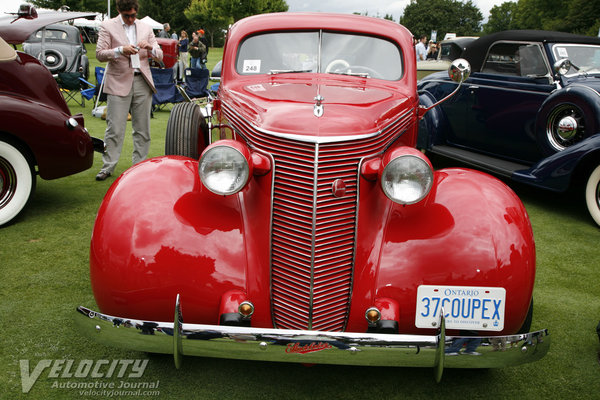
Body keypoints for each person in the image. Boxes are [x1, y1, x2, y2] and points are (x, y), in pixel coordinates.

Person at [94, 0, 163, 181]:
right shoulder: (107, 26)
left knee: (142, 129)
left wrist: (151, 49)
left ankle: (139, 166)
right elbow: (100, 54)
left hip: (142, 81)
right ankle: (108, 166)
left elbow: (160, 53)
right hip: (118, 82)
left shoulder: (146, 27)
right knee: (114, 128)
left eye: (133, 15)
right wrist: (119, 50)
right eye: (127, 16)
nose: (131, 19)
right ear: (119, 11)